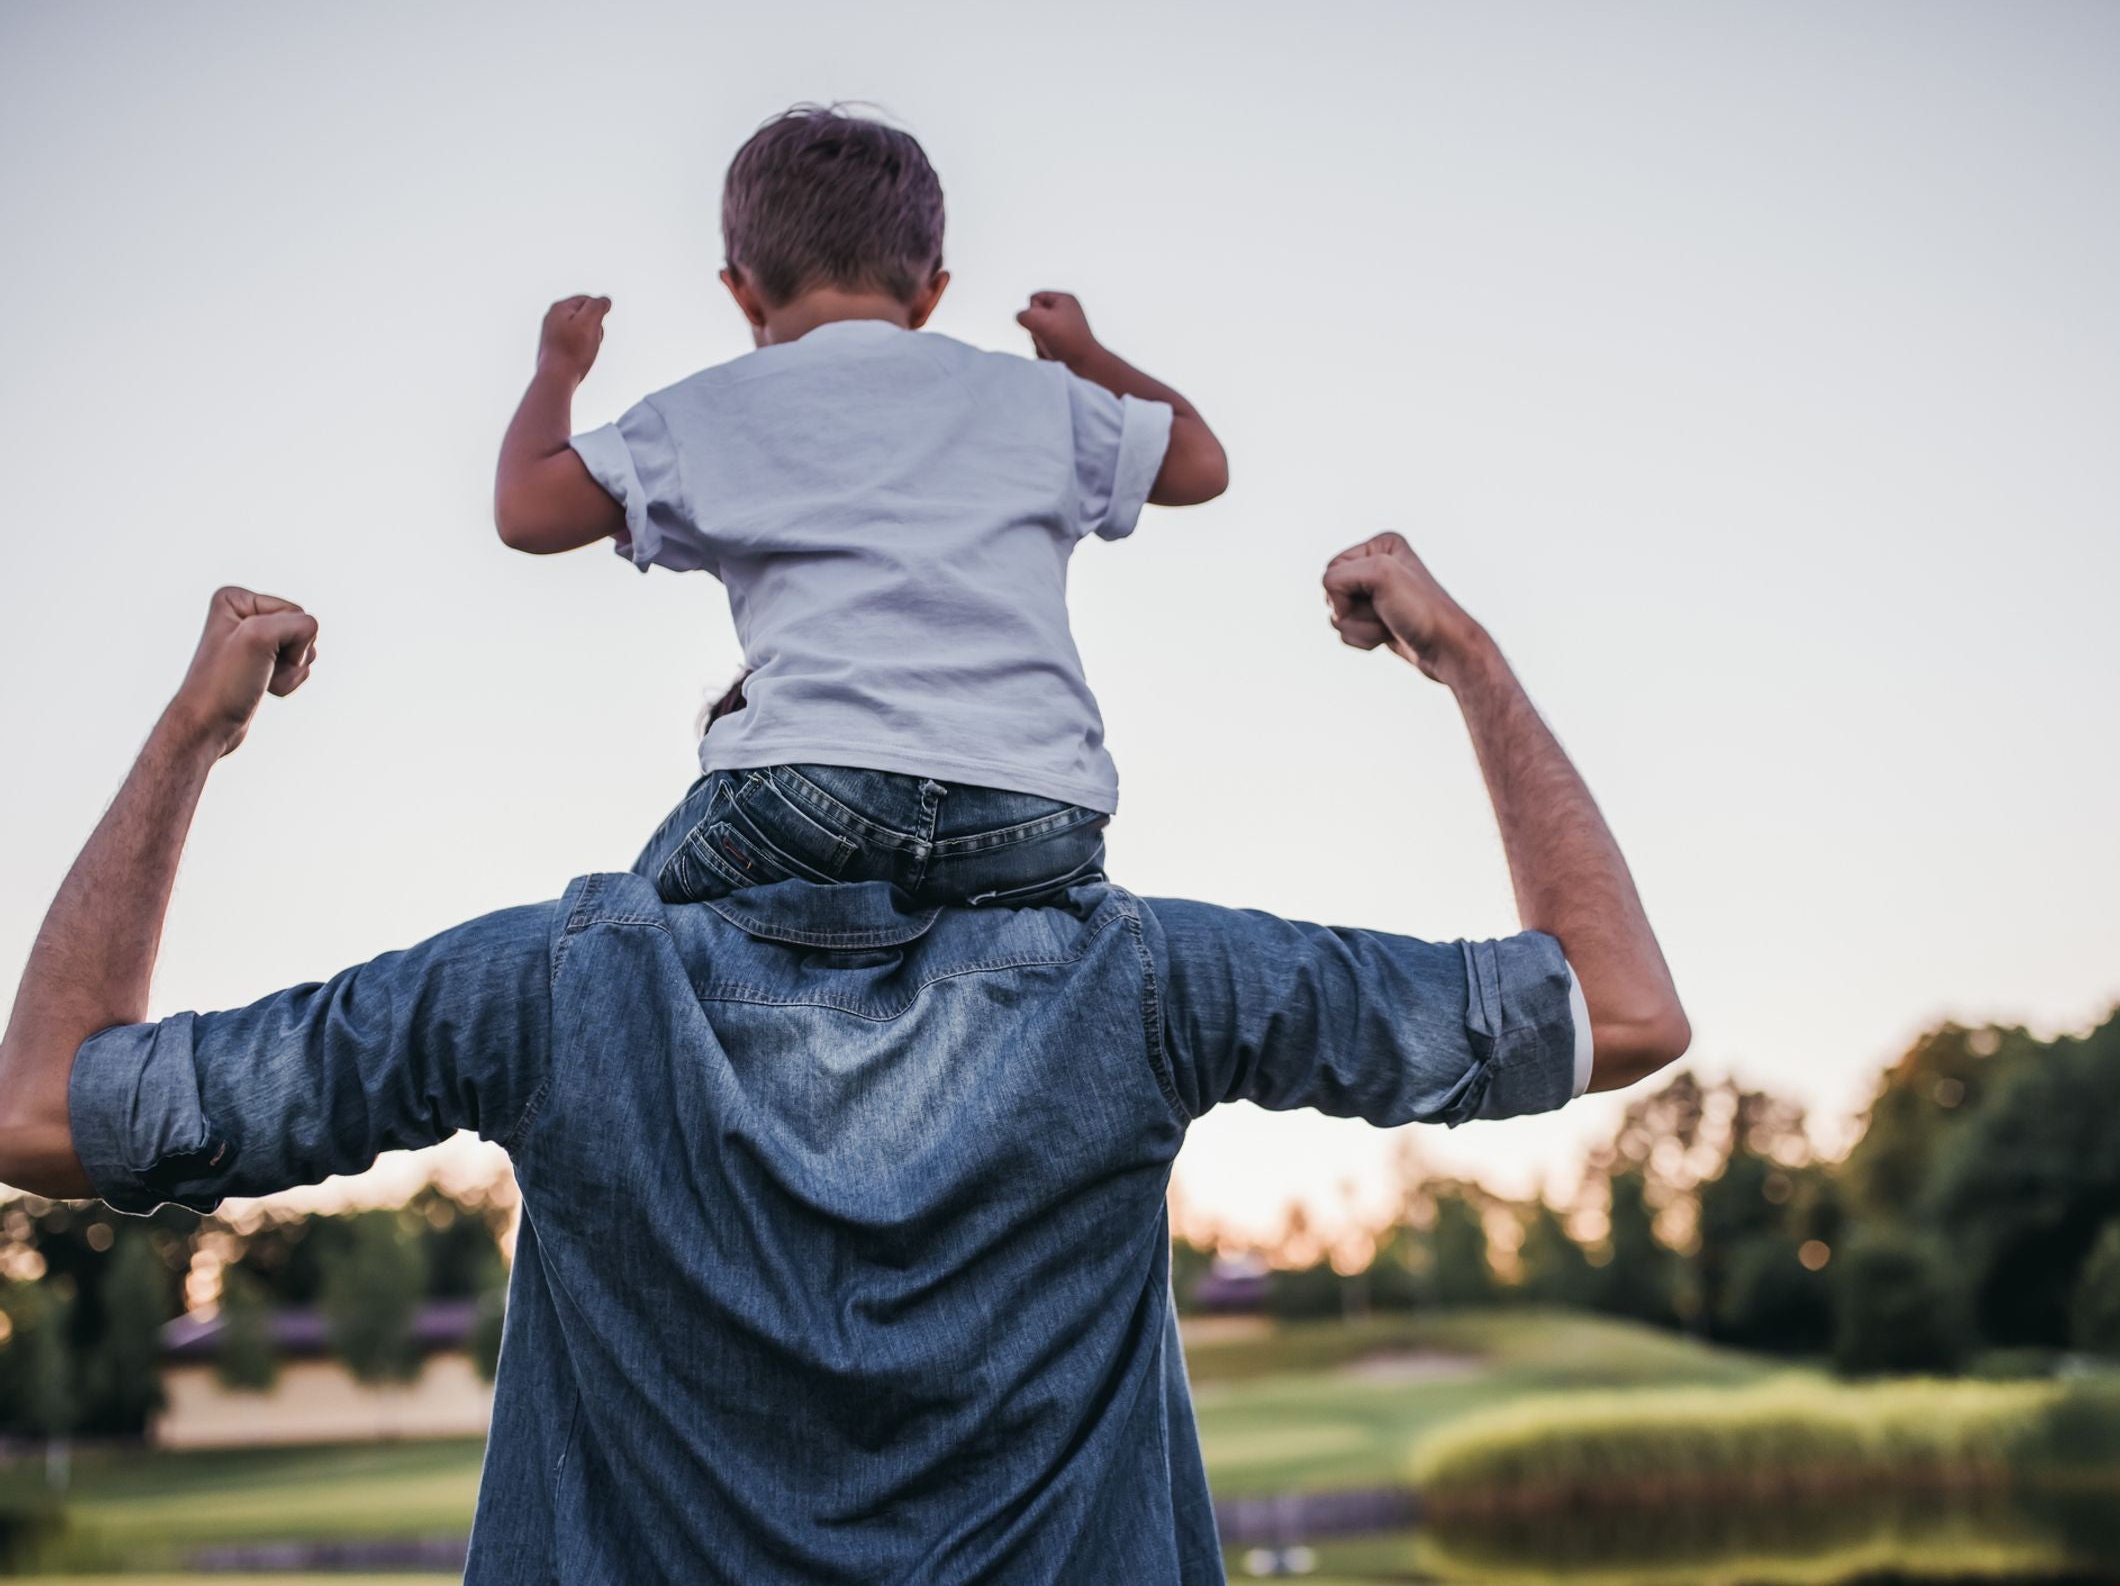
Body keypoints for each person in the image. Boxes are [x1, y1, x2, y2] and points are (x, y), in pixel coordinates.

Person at [0, 534, 1687, 1584]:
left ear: (735, 764)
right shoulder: (1144, 984)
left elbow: (45, 1111)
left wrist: (189, 739)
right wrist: (1463, 659)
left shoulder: (548, 991)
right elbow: (1621, 1011)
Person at [493, 105, 1230, 909]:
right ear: (931, 293)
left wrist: (557, 367)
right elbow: (1201, 463)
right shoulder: (1037, 398)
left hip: (813, 794)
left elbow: (527, 510)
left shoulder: (715, 409)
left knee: (620, 936)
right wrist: (1084, 355)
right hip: (1040, 812)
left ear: (741, 292)